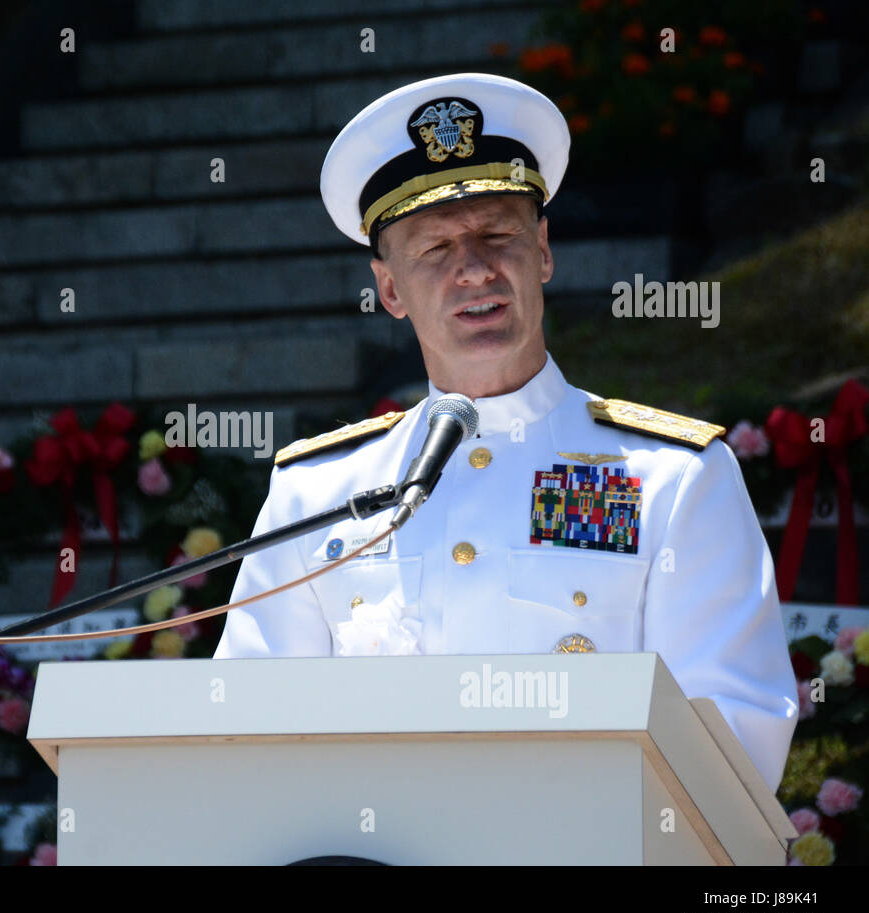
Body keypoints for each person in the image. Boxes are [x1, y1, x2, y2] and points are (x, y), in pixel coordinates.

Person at [213, 73, 797, 793]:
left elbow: (732, 741)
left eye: (499, 235)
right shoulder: (320, 494)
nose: (475, 270)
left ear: (543, 252)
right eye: (435, 250)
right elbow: (244, 731)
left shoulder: (673, 478)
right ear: (389, 289)